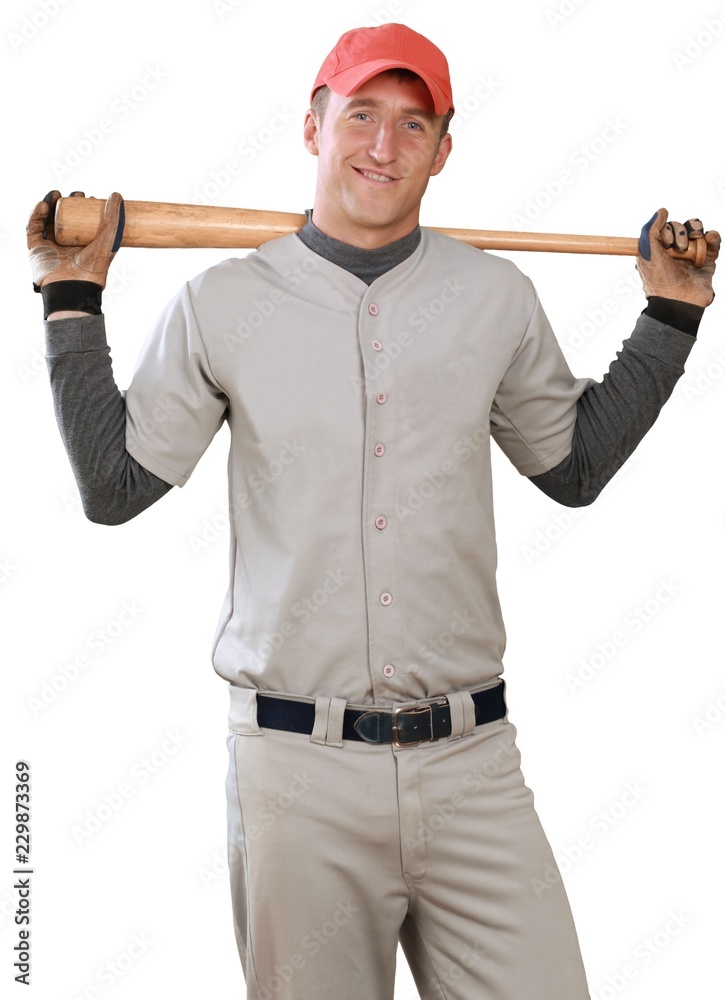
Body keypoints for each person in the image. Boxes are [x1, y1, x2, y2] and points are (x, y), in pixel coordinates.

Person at [27, 21, 719, 1000]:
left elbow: (571, 468)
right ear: (312, 127)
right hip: (295, 774)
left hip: (473, 765)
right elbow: (115, 485)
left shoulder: (494, 294)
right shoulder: (224, 300)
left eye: (412, 123)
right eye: (360, 115)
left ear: (444, 148)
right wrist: (70, 298)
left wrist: (670, 311)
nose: (382, 148)